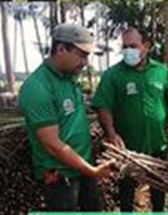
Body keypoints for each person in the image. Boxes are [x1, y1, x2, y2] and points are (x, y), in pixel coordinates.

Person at [17, 23, 114, 212]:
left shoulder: (69, 77)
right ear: (61, 49)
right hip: (60, 176)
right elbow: (52, 144)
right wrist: (92, 171)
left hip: (83, 167)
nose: (85, 62)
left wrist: (89, 169)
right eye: (82, 55)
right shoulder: (37, 87)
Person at [92, 26, 168, 213]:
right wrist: (111, 133)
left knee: (159, 194)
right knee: (126, 195)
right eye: (125, 47)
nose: (128, 51)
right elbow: (103, 106)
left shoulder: (161, 71)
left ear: (146, 46)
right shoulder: (113, 75)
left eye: (133, 46)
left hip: (158, 146)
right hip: (127, 149)